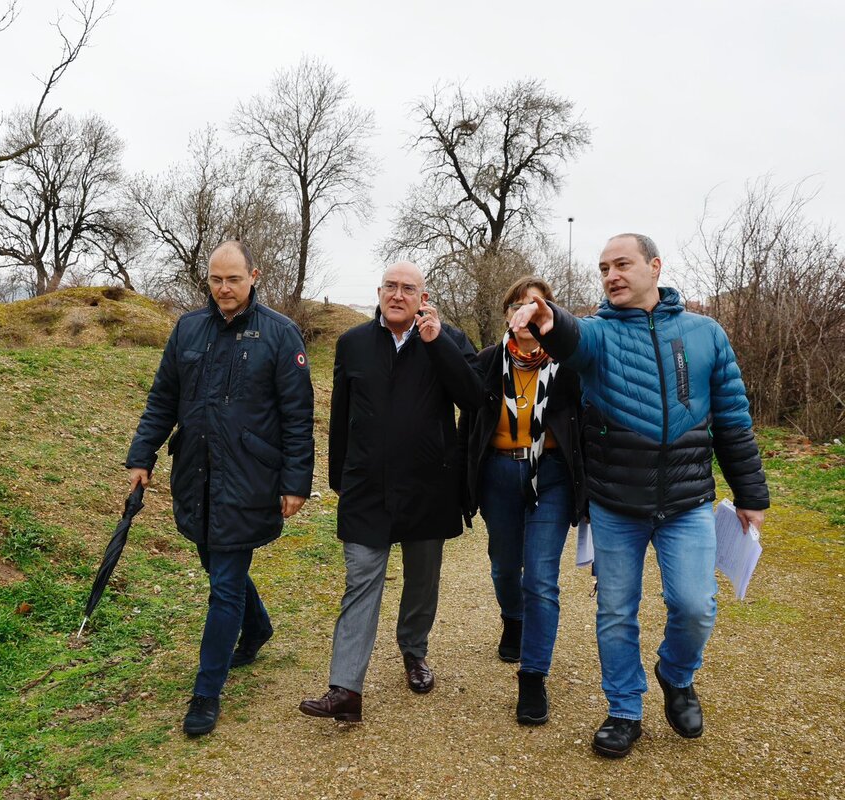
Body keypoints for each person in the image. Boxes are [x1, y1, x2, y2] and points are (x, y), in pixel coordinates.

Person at [509, 233, 769, 758]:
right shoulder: (600, 334)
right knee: (615, 612)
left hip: (688, 501)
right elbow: (570, 336)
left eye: (622, 264)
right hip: (615, 503)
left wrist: (750, 492)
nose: (611, 275)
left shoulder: (706, 334)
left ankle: (675, 673)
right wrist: (545, 316)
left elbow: (734, 421)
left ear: (655, 266)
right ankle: (624, 709)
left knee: (695, 606)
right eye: (603, 268)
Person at [125, 240, 314, 737]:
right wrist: (141, 455)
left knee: (225, 583)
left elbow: (297, 418)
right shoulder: (188, 328)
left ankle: (206, 692)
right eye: (215, 279)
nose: (224, 288)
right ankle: (257, 627)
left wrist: (297, 482)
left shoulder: (279, 333)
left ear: (253, 275)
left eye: (233, 279)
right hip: (195, 473)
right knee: (213, 562)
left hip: (250, 475)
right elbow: (163, 398)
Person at [299, 261, 480, 723]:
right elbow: (341, 416)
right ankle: (345, 689)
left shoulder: (449, 339)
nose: (398, 295)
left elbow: (475, 399)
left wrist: (438, 344)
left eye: (409, 289)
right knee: (361, 583)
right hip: (366, 489)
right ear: (379, 291)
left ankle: (413, 651)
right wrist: (340, 476)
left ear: (424, 297)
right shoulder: (354, 343)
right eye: (391, 287)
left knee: (422, 581)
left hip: (428, 485)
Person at [460, 276, 585, 726]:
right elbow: (462, 407)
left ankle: (533, 677)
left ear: (549, 314)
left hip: (551, 475)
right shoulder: (489, 362)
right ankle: (512, 618)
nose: (527, 314)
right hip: (498, 471)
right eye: (519, 305)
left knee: (542, 579)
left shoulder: (570, 365)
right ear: (509, 315)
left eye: (537, 306)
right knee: (503, 565)